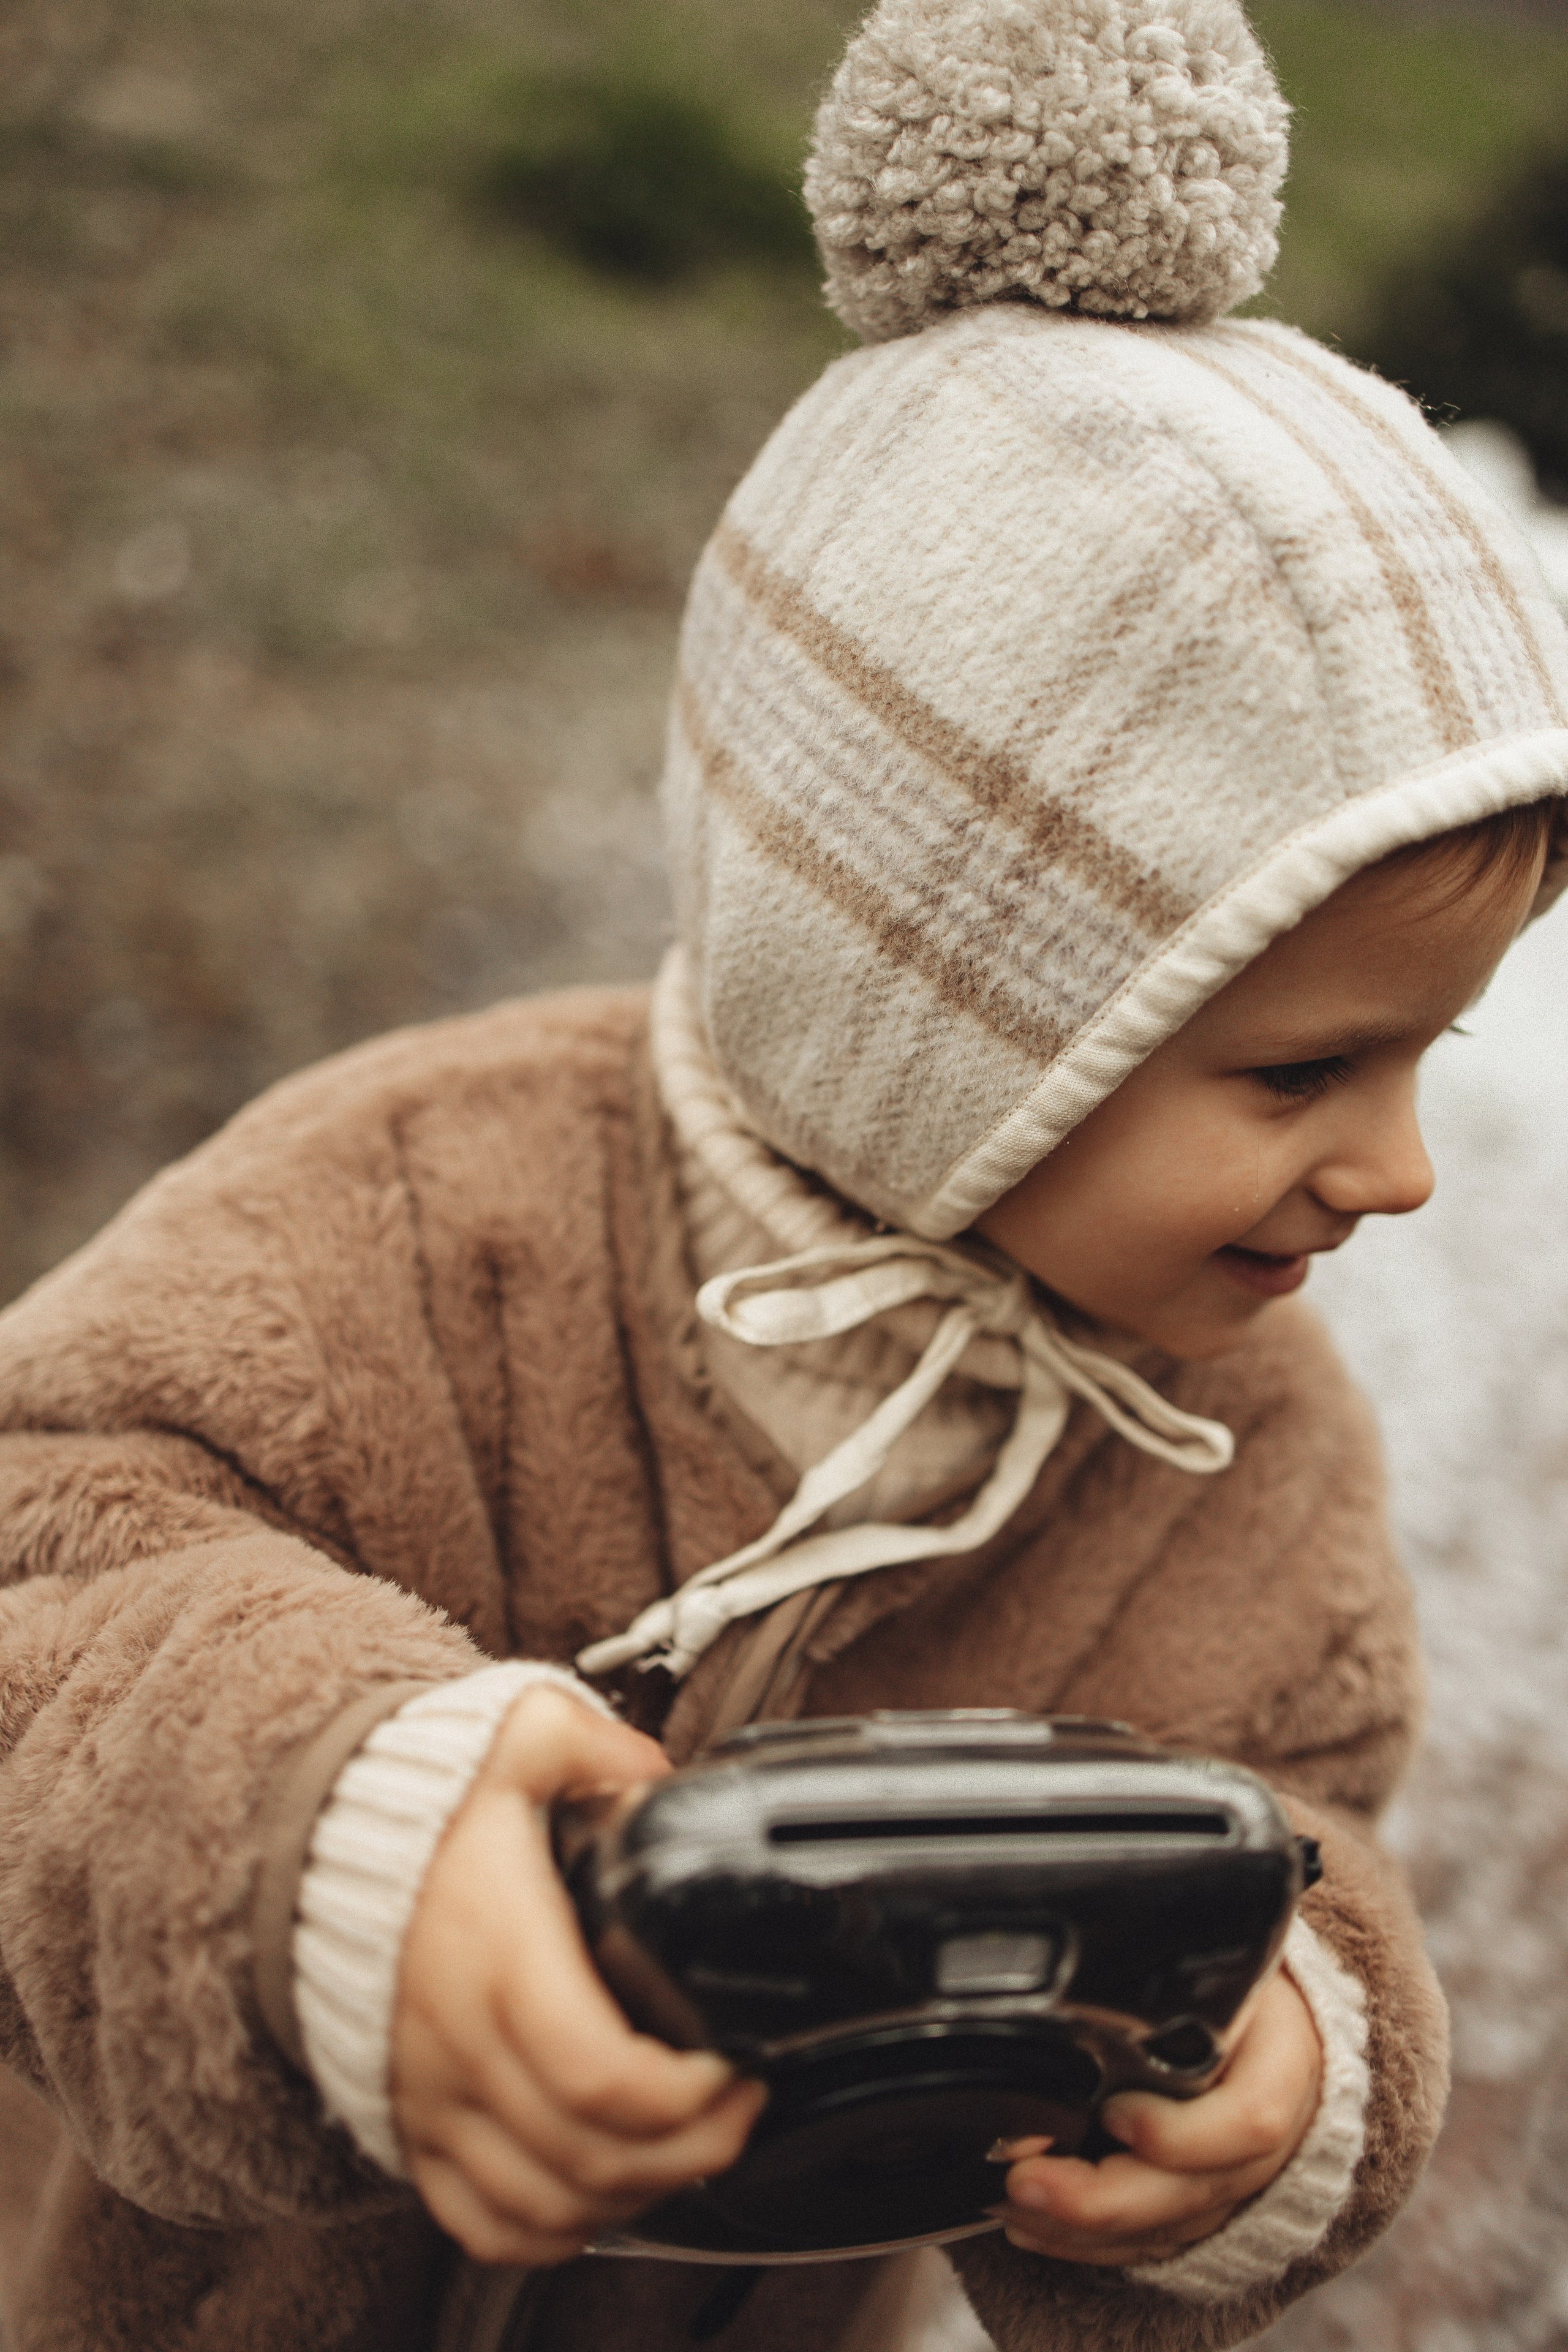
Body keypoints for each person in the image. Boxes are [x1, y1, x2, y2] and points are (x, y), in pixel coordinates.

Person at [0, 2, 1564, 2350]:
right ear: (961, 1011)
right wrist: (345, 1847)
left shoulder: (1240, 1456)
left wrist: (1290, 2077)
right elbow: (50, 1565)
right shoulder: (420, 1218)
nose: (1400, 1171)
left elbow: (1302, 1836)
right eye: (1303, 1069)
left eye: (1431, 1055)